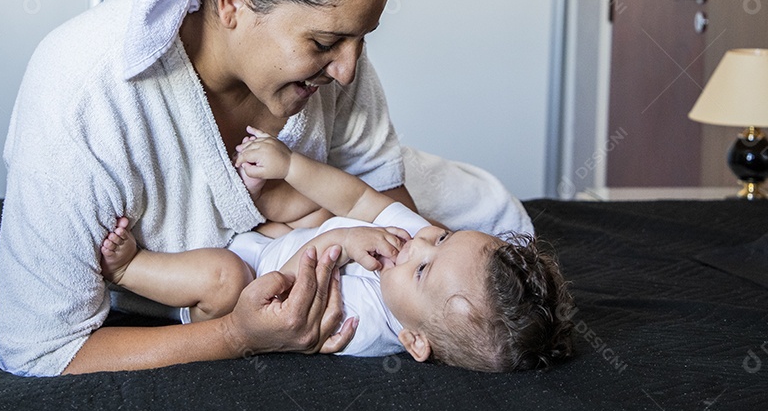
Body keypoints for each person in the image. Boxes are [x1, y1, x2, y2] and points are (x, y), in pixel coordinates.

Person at [0, 0, 531, 377]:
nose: (347, 71)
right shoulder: (84, 96)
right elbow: (41, 353)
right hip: (220, 273)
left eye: (361, 41)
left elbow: (384, 215)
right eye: (325, 44)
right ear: (233, 3)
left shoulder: (338, 67)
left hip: (366, 211)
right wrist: (233, 335)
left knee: (498, 231)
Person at [98, 127, 576, 372]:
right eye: (446, 237)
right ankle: (261, 195)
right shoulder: (416, 241)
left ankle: (129, 273)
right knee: (321, 208)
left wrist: (341, 241)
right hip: (278, 238)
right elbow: (359, 198)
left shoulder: (363, 326)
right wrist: (291, 166)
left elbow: (277, 293)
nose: (421, 244)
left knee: (221, 275)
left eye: (423, 273)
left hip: (250, 284)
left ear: (414, 341)